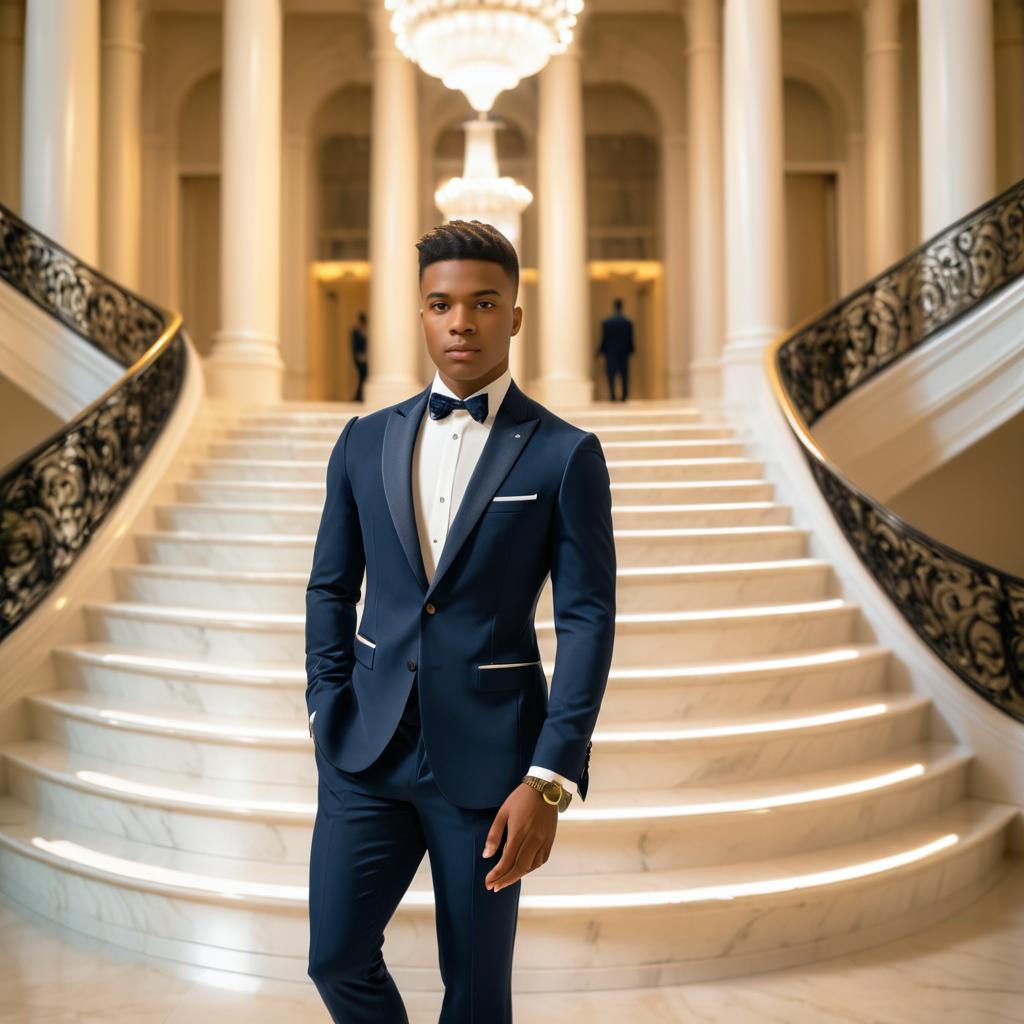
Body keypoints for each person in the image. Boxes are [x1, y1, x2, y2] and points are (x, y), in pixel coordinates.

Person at [305, 219, 617, 1022]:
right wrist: (324, 702)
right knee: (335, 958)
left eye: (484, 302)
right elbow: (330, 589)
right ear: (420, 313)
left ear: (515, 314)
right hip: (364, 748)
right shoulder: (363, 441)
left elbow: (585, 618)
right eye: (441, 304)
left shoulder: (564, 453)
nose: (461, 322)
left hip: (491, 766)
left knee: (477, 994)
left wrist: (548, 781)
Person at [596, 297, 635, 401]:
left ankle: (613, 395)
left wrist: (600, 351)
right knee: (624, 374)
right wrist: (631, 350)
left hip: (611, 352)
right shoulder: (627, 322)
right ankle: (624, 396)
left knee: (611, 374)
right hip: (623, 352)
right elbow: (630, 339)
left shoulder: (607, 323)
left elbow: (604, 338)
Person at [351, 310, 367, 402]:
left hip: (363, 357)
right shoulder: (356, 331)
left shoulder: (364, 331)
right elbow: (355, 345)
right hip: (359, 358)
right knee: (361, 377)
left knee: (362, 377)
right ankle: (358, 397)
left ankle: (359, 396)